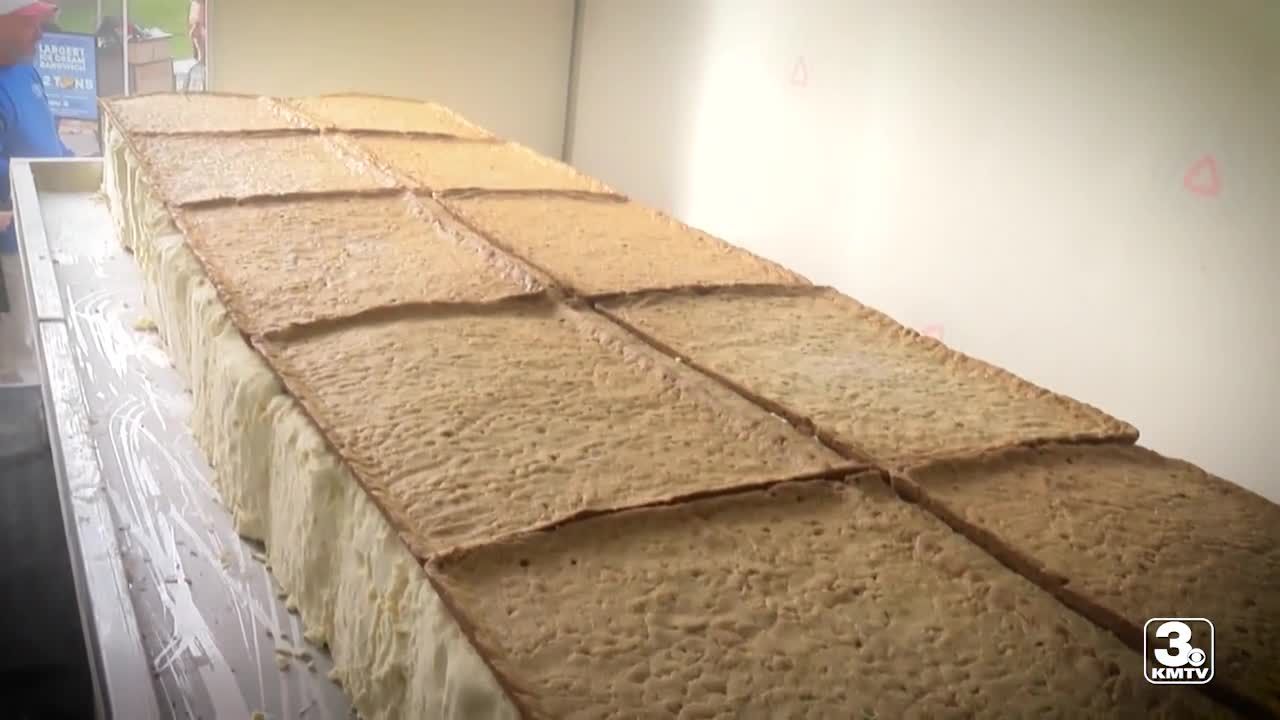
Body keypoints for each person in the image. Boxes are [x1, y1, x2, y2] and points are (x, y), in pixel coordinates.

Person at [0, 0, 68, 382]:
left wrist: (78, 166)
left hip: (44, 234)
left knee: (46, 339)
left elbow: (48, 142)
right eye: (30, 24)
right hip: (9, 248)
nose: (40, 34)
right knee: (17, 355)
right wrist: (46, 176)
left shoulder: (26, 73)